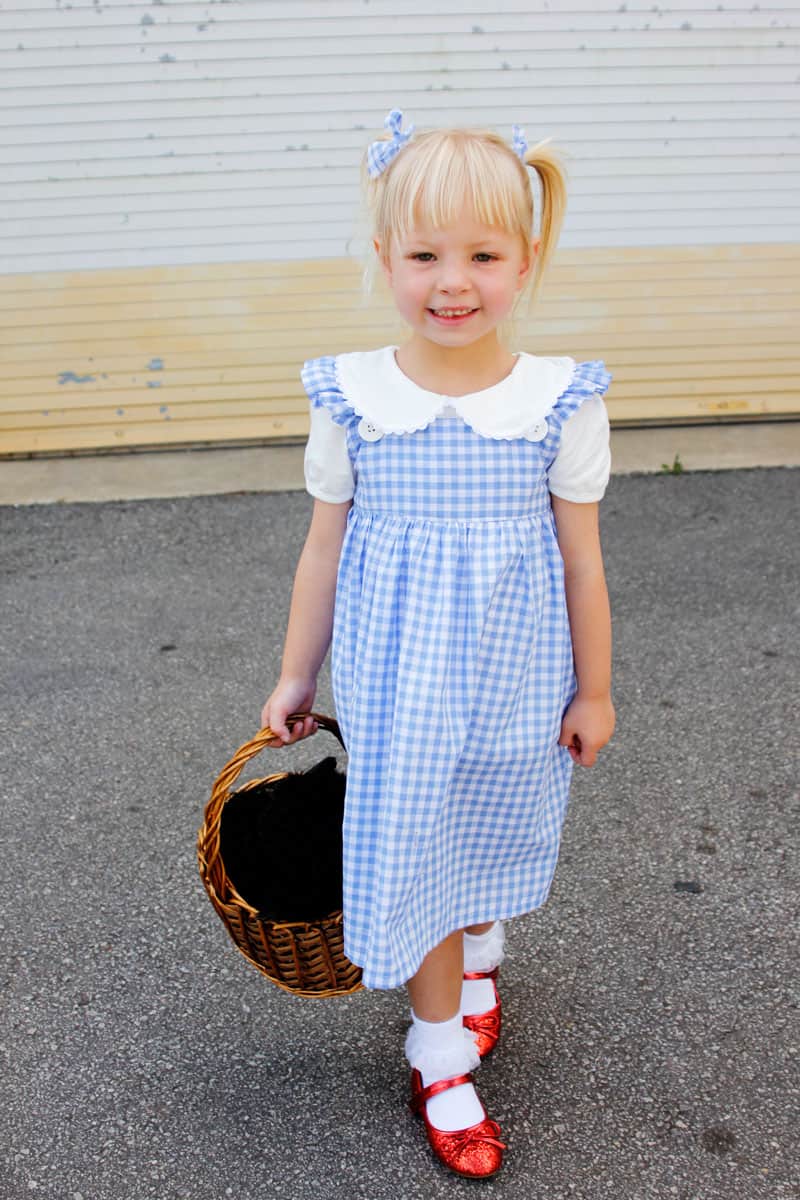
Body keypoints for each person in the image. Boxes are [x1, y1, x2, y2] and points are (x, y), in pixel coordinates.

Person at [261, 109, 615, 1179]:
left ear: (526, 258)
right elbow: (321, 551)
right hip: (396, 682)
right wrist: (294, 673)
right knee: (418, 851)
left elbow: (582, 563)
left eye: (480, 255)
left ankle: (476, 951)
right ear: (383, 258)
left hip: (515, 679)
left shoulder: (558, 400)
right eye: (421, 254)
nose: (449, 282)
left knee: (488, 829)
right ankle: (438, 1049)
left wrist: (593, 692)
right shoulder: (352, 396)